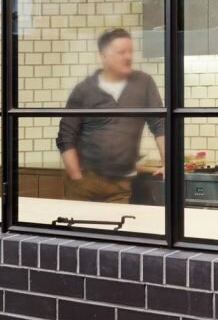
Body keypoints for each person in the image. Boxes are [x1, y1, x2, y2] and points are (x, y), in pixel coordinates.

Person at [57, 28, 165, 204]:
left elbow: (160, 124)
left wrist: (166, 162)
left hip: (120, 185)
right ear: (104, 56)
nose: (127, 57)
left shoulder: (143, 83)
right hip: (85, 182)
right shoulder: (84, 90)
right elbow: (65, 136)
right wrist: (77, 177)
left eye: (130, 51)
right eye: (121, 52)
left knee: (117, 228)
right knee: (81, 230)